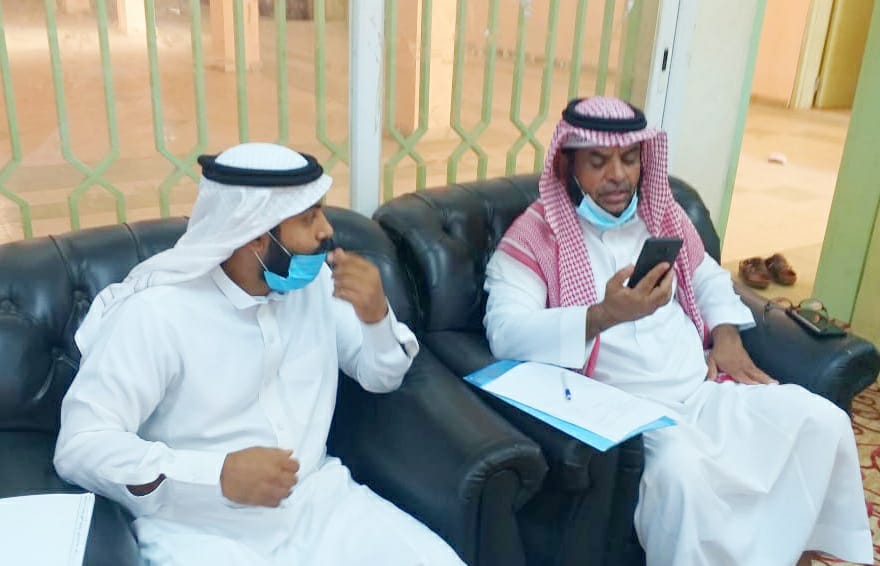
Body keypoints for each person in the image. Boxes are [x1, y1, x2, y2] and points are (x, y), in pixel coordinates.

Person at [484, 97, 872, 566]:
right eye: (598, 161)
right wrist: (603, 315)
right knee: (684, 476)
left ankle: (796, 554)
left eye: (630, 159)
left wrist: (726, 337)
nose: (618, 176)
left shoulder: (660, 214)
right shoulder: (534, 237)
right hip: (632, 415)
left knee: (820, 420)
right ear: (568, 165)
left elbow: (708, 277)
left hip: (703, 390)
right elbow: (505, 332)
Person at [54, 143, 464, 566]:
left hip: (320, 505)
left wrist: (376, 317)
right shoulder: (156, 314)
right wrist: (217, 475)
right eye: (308, 218)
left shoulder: (316, 284)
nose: (326, 230)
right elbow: (81, 445)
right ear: (254, 234)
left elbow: (382, 376)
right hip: (201, 527)